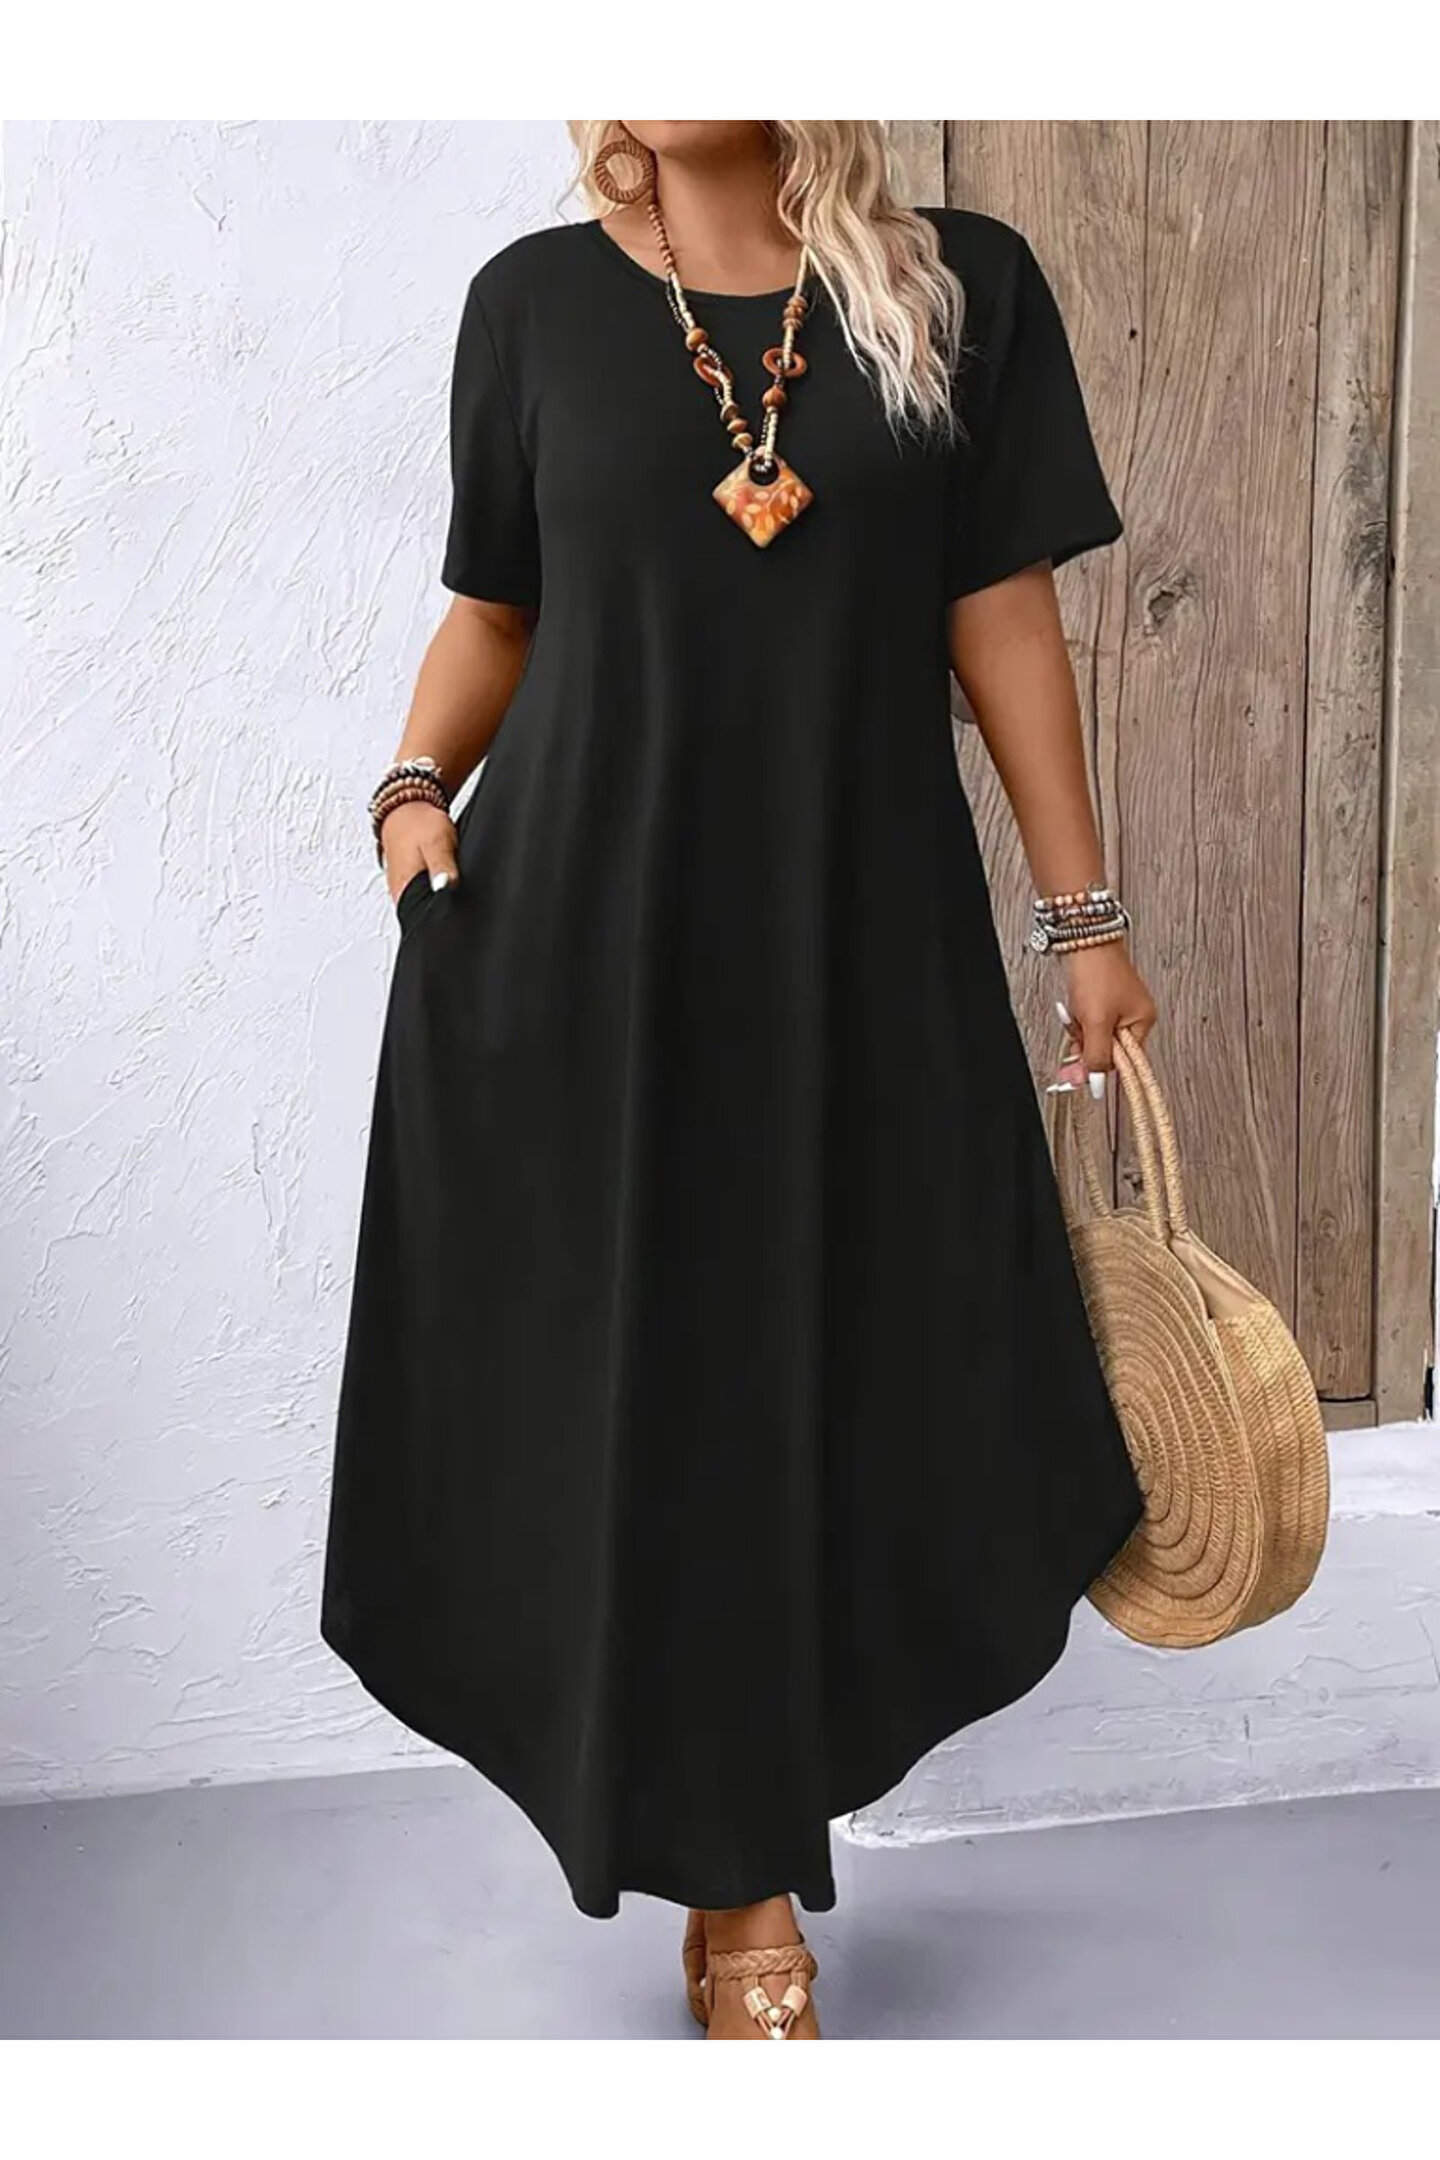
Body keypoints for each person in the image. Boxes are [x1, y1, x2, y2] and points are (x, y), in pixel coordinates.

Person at [322, 119, 1154, 2041]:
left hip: (855, 947)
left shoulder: (957, 287)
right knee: (660, 1396)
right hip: (579, 953)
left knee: (836, 1372)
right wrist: (411, 790)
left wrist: (1083, 920)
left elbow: (1002, 611)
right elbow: (501, 609)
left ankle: (751, 1836)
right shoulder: (531, 308)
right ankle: (744, 1887)